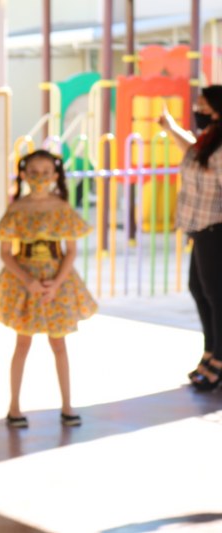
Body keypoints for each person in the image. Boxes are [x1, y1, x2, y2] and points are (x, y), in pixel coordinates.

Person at [0, 149, 97, 428]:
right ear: (24, 174)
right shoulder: (17, 209)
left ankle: (67, 405)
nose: (40, 177)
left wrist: (56, 283)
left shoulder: (61, 208)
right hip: (26, 283)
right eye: (34, 172)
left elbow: (70, 251)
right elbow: (6, 253)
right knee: (23, 343)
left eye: (46, 172)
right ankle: (14, 407)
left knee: (59, 343)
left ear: (55, 175)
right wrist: (28, 281)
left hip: (58, 282)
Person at [160, 85, 222, 391]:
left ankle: (219, 360)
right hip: (200, 228)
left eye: (204, 106)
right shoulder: (208, 140)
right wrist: (171, 128)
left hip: (215, 229)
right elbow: (192, 150)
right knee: (199, 290)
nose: (199, 111)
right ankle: (210, 350)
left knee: (216, 295)